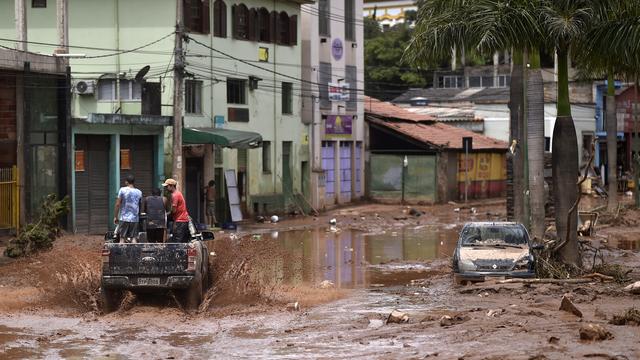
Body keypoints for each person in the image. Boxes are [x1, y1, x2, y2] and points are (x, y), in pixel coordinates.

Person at [114, 175, 143, 243]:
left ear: (127, 182)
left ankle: (122, 253)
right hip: (135, 219)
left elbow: (117, 204)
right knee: (134, 238)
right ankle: (134, 253)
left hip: (124, 218)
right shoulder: (139, 192)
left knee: (122, 238)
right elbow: (140, 205)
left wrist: (115, 216)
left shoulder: (122, 190)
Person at [162, 178, 191, 243]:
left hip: (180, 221)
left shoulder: (175, 195)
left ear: (172, 186)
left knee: (177, 242)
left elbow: (173, 211)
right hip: (182, 220)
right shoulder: (178, 194)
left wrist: (167, 215)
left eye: (167, 186)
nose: (166, 188)